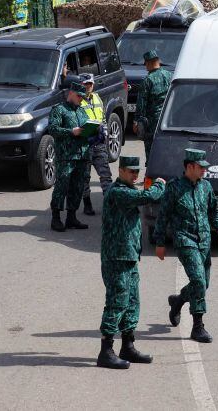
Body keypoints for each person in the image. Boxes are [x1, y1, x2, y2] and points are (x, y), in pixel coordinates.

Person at [97, 156, 167, 370]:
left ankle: (127, 345)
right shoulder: (118, 192)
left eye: (137, 172)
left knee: (133, 302)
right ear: (120, 171)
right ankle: (105, 351)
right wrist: (159, 184)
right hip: (116, 257)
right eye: (130, 171)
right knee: (117, 301)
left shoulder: (126, 190)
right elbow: (147, 196)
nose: (134, 175)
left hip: (128, 256)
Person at [155, 148, 218, 344]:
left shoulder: (206, 187)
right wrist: (160, 243)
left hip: (204, 240)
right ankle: (198, 326)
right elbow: (163, 216)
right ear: (190, 167)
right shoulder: (174, 188)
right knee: (198, 280)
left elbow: (213, 211)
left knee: (203, 283)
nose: (204, 170)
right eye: (200, 167)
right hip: (184, 239)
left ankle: (178, 301)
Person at [47, 81, 91, 232]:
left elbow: (86, 128)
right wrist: (72, 131)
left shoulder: (82, 111)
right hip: (66, 155)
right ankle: (56, 218)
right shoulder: (59, 110)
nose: (81, 99)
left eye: (83, 97)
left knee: (77, 187)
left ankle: (71, 217)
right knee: (62, 186)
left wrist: (94, 131)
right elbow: (52, 129)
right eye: (79, 96)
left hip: (82, 155)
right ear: (71, 93)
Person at [78, 74, 113, 216]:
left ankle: (110, 204)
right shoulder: (77, 101)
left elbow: (103, 118)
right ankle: (87, 204)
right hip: (84, 145)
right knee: (84, 177)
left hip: (99, 144)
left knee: (105, 175)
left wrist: (104, 133)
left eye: (90, 84)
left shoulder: (97, 98)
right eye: (86, 84)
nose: (88, 86)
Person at [135, 50, 172, 164]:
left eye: (145, 63)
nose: (145, 67)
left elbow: (141, 103)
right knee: (167, 146)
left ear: (149, 63)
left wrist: (137, 121)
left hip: (152, 120)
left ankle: (151, 173)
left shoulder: (148, 80)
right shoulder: (170, 75)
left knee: (151, 147)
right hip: (168, 118)